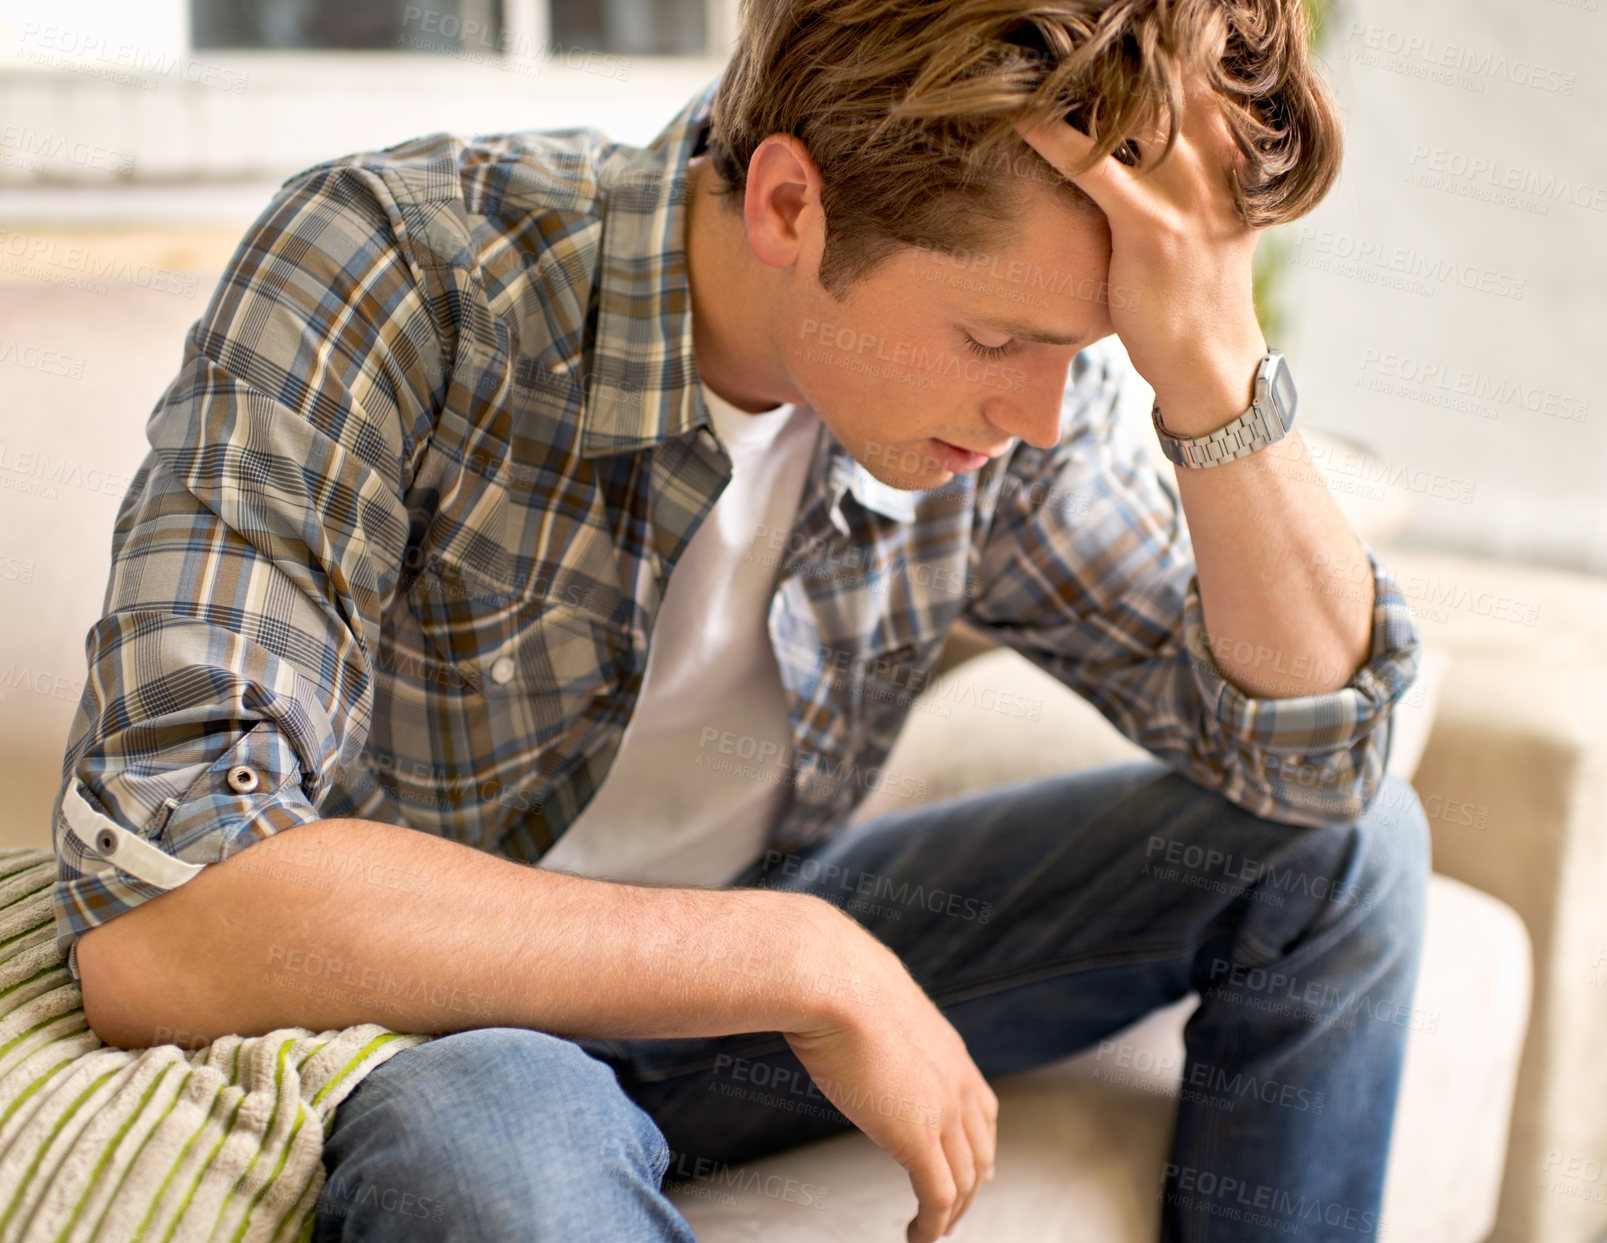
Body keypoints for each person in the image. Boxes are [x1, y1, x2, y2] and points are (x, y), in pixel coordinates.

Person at [55, 1, 1428, 1239]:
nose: (1041, 418)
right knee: (497, 1157)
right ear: (789, 206)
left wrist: (1211, 360)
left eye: (1092, 350)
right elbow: (170, 902)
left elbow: (1312, 763)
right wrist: (793, 958)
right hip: (445, 1025)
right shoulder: (402, 271)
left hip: (752, 987)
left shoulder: (1020, 436)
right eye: (1001, 342)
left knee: (1351, 853)